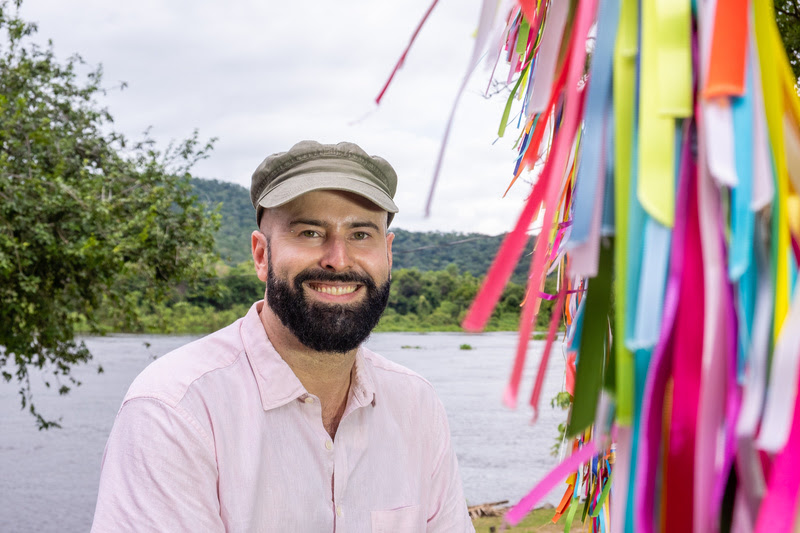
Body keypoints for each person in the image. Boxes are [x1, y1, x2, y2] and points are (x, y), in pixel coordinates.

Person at [91, 140, 474, 532]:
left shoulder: (417, 406)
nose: (338, 259)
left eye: (361, 234)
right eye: (310, 232)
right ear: (261, 255)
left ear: (388, 255)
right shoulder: (175, 410)